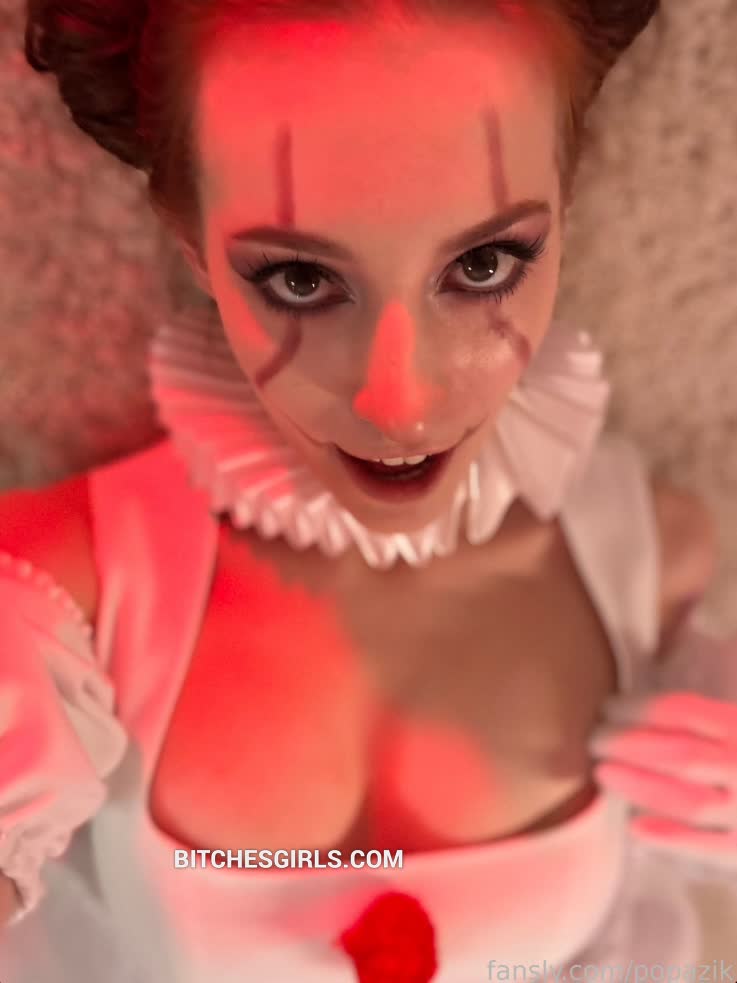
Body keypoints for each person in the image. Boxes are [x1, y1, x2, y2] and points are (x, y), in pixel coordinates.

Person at [0, 0, 735, 980]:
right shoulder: (52, 594)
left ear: (565, 212)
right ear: (192, 247)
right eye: (299, 280)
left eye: (483, 264)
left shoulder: (659, 560)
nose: (399, 402)